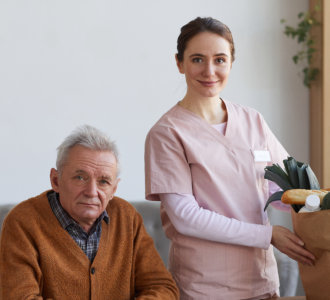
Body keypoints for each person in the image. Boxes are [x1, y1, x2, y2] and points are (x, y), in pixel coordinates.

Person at [144, 17, 315, 299]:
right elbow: (186, 217)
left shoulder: (253, 121)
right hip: (204, 288)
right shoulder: (167, 133)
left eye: (220, 59)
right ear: (179, 63)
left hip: (261, 283)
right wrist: (268, 235)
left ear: (231, 63)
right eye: (197, 59)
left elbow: (289, 189)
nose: (209, 70)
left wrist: (316, 205)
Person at [0, 125, 179, 300]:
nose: (92, 191)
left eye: (103, 181)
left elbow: (162, 287)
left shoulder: (127, 217)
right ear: (56, 180)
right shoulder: (22, 222)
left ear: (114, 189)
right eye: (80, 177)